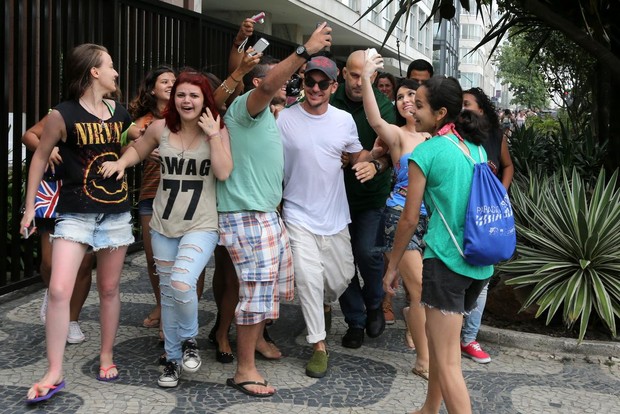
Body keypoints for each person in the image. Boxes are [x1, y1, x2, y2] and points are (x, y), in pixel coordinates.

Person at [217, 24, 331, 397]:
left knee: (264, 292)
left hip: (263, 214)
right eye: (279, 80)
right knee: (254, 294)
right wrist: (304, 49)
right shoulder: (246, 106)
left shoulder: (267, 115)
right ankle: (244, 370)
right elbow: (267, 85)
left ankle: (253, 351)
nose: (288, 84)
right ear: (256, 86)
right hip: (246, 214)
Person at [21, 43, 138, 403]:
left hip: (115, 214)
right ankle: (54, 371)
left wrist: (129, 160)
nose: (116, 73)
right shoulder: (62, 114)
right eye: (111, 66)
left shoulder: (119, 113)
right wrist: (29, 210)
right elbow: (39, 159)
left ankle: (106, 355)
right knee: (58, 290)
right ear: (94, 72)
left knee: (109, 290)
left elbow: (145, 140)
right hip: (74, 214)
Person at [102, 70, 233, 388]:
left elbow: (224, 172)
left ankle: (189, 339)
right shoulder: (160, 127)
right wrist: (121, 164)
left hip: (201, 225)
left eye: (194, 95)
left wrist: (214, 136)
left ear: (204, 99)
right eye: (181, 94)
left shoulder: (217, 130)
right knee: (170, 295)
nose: (187, 100)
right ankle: (173, 360)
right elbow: (138, 149)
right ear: (173, 99)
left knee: (182, 283)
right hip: (163, 225)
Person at [383, 76, 493, 414]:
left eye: (419, 105)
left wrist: (391, 266)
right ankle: (429, 409)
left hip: (446, 264)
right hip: (478, 265)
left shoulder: (427, 151)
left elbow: (409, 219)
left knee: (446, 362)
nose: (412, 109)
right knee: (437, 342)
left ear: (440, 111)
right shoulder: (475, 147)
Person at [278, 56, 377, 378]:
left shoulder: (344, 120)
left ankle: (324, 303)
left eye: (323, 83)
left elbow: (355, 151)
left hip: (335, 214)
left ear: (334, 86)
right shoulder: (284, 119)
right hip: (297, 211)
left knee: (341, 277)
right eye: (311, 81)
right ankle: (318, 344)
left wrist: (372, 160)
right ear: (304, 82)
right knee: (307, 277)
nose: (316, 88)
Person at [362, 52, 430, 378]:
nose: (405, 100)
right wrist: (365, 79)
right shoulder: (398, 135)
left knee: (424, 290)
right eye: (400, 96)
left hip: (435, 222)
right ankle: (424, 362)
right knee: (418, 288)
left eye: (411, 95)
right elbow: (375, 120)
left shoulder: (439, 137)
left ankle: (412, 320)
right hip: (400, 215)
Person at [330, 49, 396, 349]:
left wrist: (374, 163)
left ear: (376, 79)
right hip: (330, 197)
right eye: (354, 75)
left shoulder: (384, 106)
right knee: (339, 264)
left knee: (368, 253)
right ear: (343, 74)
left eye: (366, 76)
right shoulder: (328, 99)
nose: (359, 82)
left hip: (371, 197)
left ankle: (374, 304)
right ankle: (355, 320)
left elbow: (394, 152)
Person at [22, 116, 95, 344]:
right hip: (54, 193)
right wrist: (48, 148)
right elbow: (29, 135)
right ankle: (53, 293)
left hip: (89, 191)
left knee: (84, 264)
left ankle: (72, 319)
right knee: (49, 263)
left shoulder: (111, 114)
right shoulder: (62, 112)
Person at [460, 87, 515, 364]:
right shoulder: (453, 137)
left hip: (486, 217)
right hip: (460, 217)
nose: (463, 109)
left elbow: (508, 166)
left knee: (482, 276)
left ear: (482, 108)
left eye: (467, 104)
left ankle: (468, 338)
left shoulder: (496, 135)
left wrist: (499, 194)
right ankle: (450, 333)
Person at [127, 65, 177, 333]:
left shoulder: (185, 114)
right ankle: (161, 302)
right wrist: (144, 147)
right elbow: (124, 146)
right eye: (164, 81)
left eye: (174, 80)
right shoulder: (143, 121)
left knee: (177, 259)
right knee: (153, 258)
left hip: (180, 197)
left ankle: (172, 310)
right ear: (152, 89)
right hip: (150, 194)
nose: (171, 84)